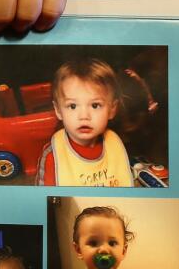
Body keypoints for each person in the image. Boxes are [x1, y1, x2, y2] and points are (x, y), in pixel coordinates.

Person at [36, 58, 133, 187]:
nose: (84, 116)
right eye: (72, 106)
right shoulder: (52, 155)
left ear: (112, 109)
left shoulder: (114, 145)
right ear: (58, 110)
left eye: (95, 105)